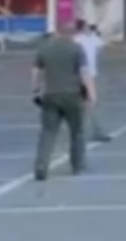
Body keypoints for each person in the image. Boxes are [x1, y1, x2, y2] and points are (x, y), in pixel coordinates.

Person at [32, 21, 96, 181]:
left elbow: (36, 71)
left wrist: (36, 90)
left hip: (50, 94)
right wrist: (91, 93)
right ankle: (78, 165)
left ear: (57, 31)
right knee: (77, 131)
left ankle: (41, 165)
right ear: (73, 33)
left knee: (48, 132)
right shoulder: (77, 49)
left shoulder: (44, 48)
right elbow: (84, 73)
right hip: (73, 94)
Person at [73, 20, 111, 142]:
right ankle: (93, 131)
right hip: (82, 75)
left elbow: (103, 46)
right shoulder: (77, 39)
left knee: (90, 103)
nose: (88, 28)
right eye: (86, 27)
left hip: (89, 74)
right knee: (90, 102)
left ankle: (92, 131)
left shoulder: (93, 38)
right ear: (82, 28)